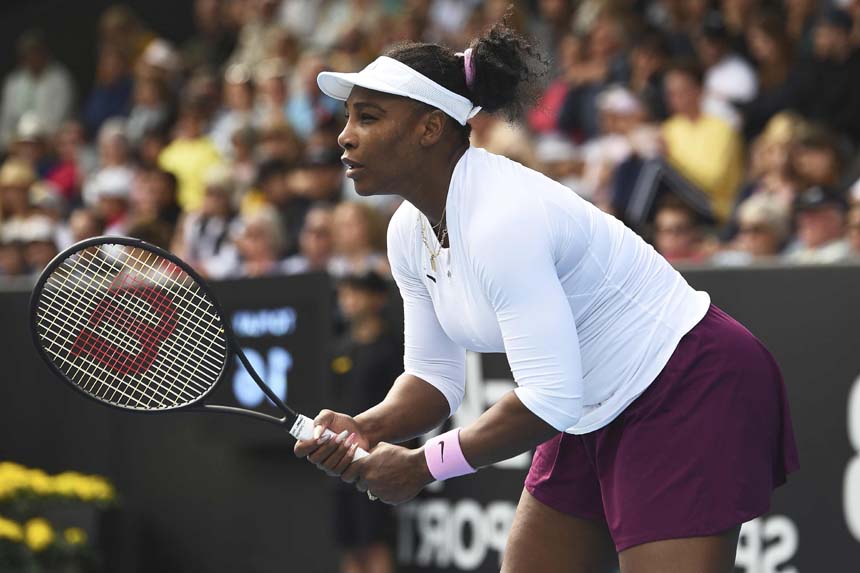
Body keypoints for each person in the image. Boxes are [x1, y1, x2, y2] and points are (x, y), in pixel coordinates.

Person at [294, 17, 798, 572]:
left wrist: (422, 466)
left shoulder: (502, 219)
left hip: (685, 382)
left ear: (430, 128)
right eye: (348, 118)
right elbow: (433, 379)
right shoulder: (406, 231)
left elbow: (547, 400)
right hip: (588, 405)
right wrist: (368, 426)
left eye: (368, 117)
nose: (344, 135)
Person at [329, 271, 401, 573]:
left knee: (375, 543)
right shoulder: (340, 349)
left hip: (376, 460)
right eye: (344, 293)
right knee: (349, 544)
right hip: (339, 462)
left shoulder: (392, 349)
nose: (348, 300)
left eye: (356, 292)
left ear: (377, 299)